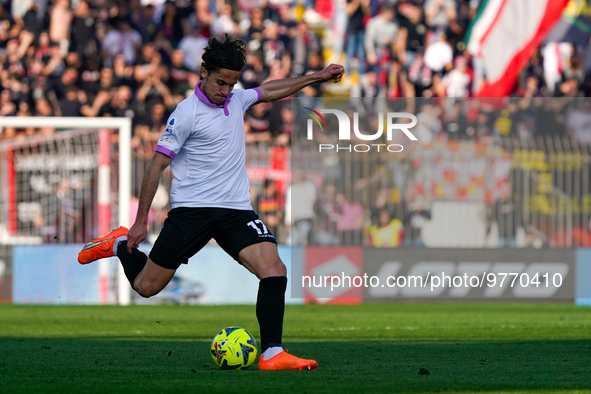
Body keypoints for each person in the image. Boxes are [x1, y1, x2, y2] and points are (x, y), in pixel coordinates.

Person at [78, 34, 344, 370]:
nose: (225, 91)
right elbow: (157, 166)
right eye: (220, 82)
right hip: (192, 212)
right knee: (146, 287)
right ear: (203, 72)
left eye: (231, 84)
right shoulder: (185, 114)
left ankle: (272, 353)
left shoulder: (236, 100)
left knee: (275, 269)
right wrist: (141, 221)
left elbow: (271, 90)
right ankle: (119, 245)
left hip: (235, 210)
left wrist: (316, 76)